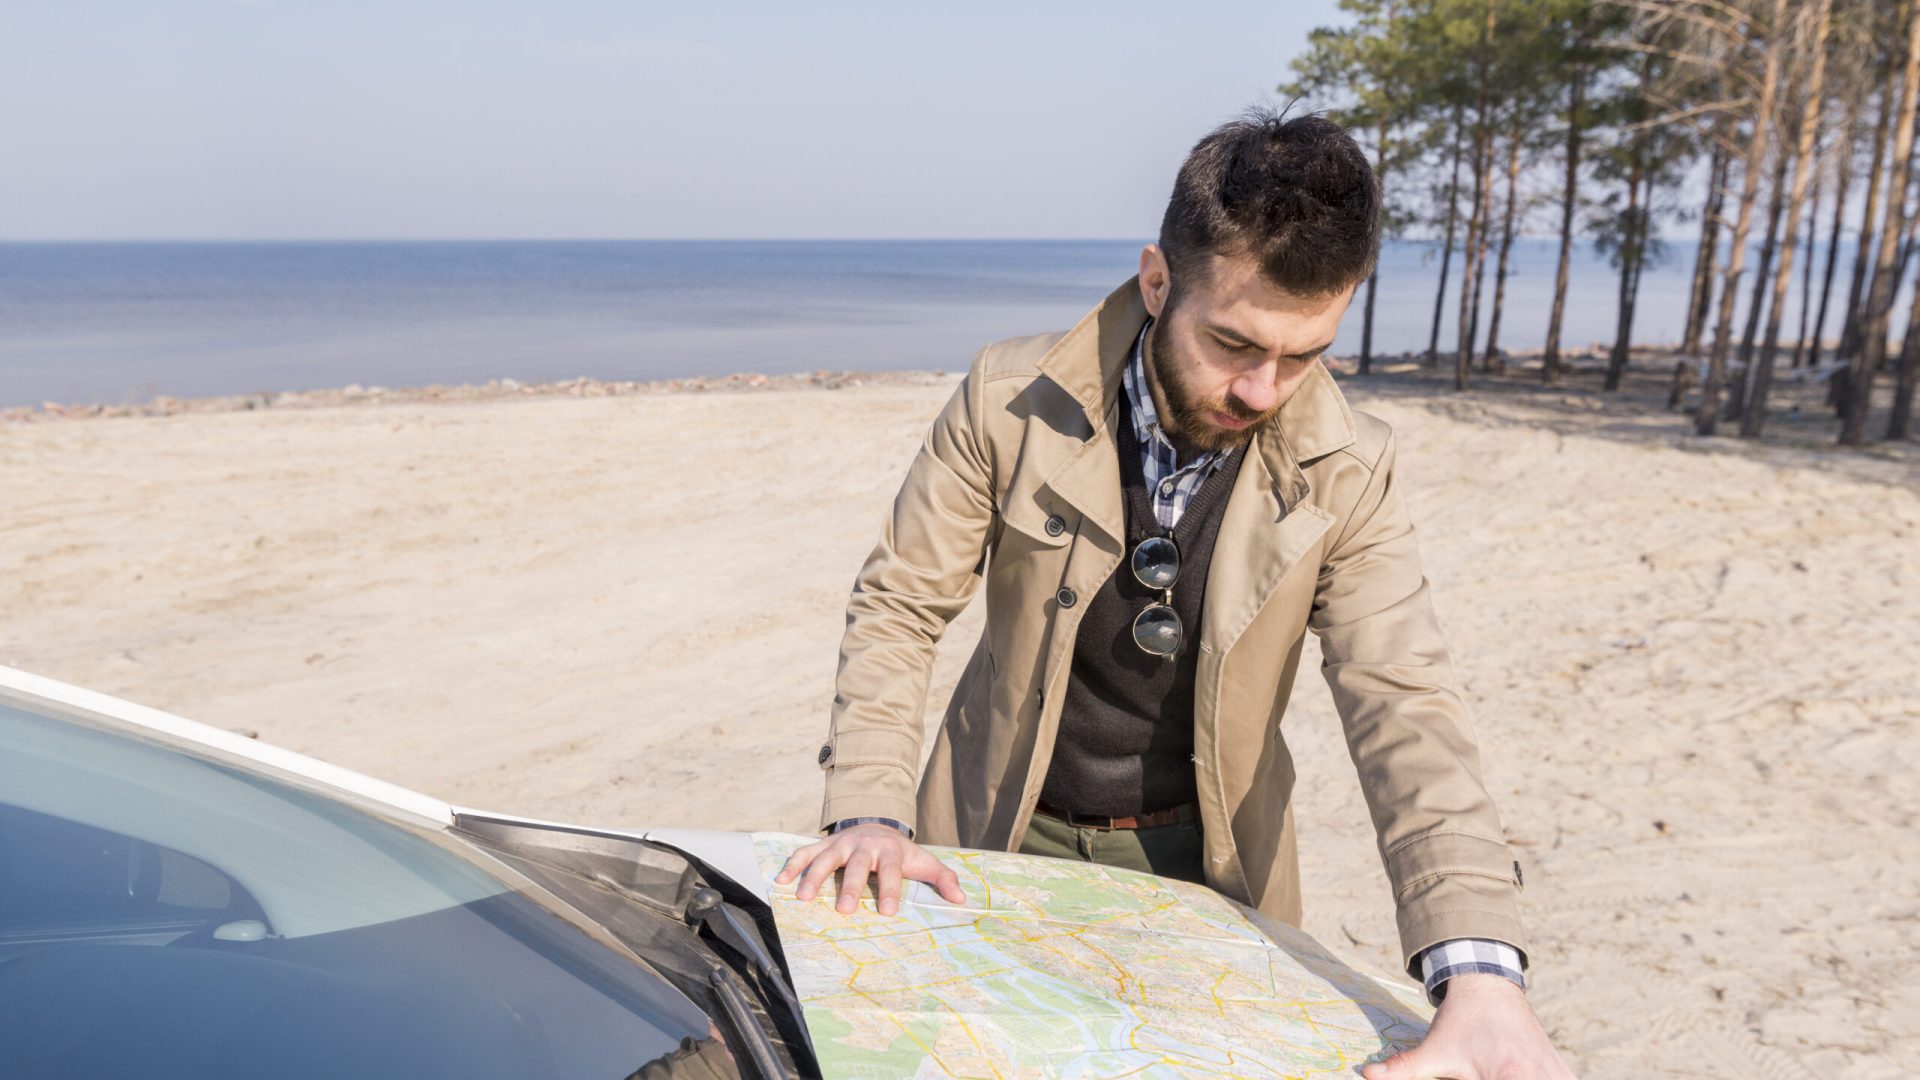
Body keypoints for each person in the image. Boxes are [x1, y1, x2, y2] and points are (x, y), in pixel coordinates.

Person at [776, 104, 1575, 1079]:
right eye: (1236, 344)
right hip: (987, 841)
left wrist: (1480, 970)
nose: (1263, 392)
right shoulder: (1003, 398)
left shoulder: (1353, 468)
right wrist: (869, 813)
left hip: (1214, 872)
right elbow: (900, 603)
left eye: (1305, 353)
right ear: (1158, 281)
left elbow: (1404, 702)